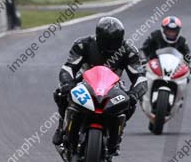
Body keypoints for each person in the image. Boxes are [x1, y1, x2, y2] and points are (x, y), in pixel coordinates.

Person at [52, 17, 147, 152]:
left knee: (130, 103)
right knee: (61, 93)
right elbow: (68, 67)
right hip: (84, 82)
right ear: (99, 36)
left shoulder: (129, 51)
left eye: (115, 41)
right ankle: (62, 126)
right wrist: (67, 83)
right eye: (108, 41)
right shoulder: (83, 44)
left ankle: (116, 134)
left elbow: (140, 78)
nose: (111, 45)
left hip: (113, 86)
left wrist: (134, 94)